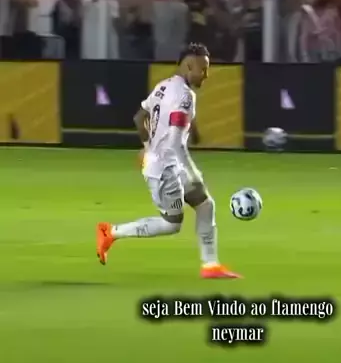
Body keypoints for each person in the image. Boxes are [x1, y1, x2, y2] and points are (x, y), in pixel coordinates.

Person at [96, 42, 241, 279]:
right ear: (189, 66)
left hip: (167, 162)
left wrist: (147, 147)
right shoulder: (184, 96)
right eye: (203, 69)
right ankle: (111, 232)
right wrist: (190, 172)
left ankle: (211, 265)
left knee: (206, 204)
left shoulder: (163, 86)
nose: (206, 75)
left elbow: (139, 117)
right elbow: (174, 142)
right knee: (172, 224)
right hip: (165, 169)